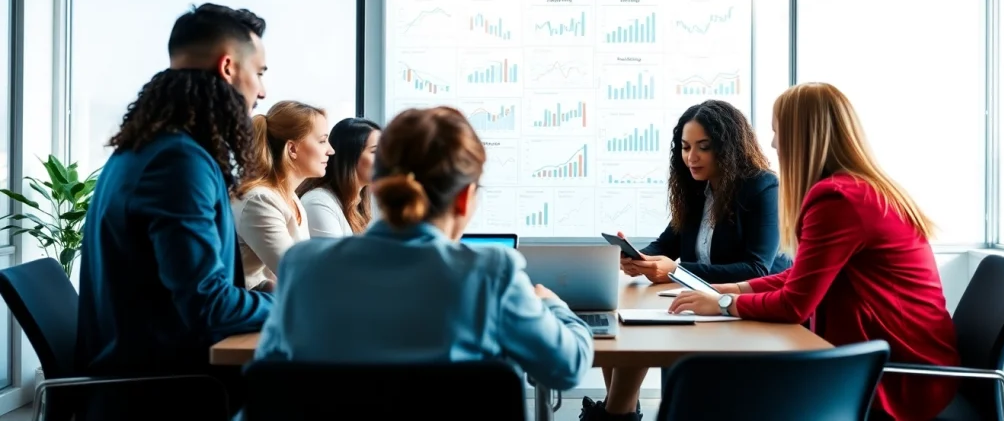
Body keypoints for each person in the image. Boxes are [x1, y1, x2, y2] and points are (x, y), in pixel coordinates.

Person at [669, 83, 960, 421]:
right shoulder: (859, 189)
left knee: (718, 395)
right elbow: (802, 276)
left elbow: (795, 304)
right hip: (895, 361)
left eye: (779, 132)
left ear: (803, 136)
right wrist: (733, 289)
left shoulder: (839, 200)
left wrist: (722, 304)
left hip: (901, 380)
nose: (775, 144)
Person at [253, 106, 594, 391]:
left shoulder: (303, 266)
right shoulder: (492, 271)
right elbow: (568, 368)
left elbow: (269, 384)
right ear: (464, 198)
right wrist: (554, 306)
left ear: (382, 186)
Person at [76, 3, 274, 420]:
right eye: (259, 73)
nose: (262, 92)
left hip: (150, 383)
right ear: (227, 67)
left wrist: (256, 299)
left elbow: (178, 291)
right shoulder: (179, 163)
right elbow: (209, 308)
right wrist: (294, 303)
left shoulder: (145, 149)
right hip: (168, 397)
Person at [583, 99, 787, 421]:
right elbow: (666, 243)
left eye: (703, 147)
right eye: (685, 147)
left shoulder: (762, 187)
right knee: (622, 326)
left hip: (743, 311)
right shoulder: (698, 191)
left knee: (637, 332)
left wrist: (676, 270)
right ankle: (619, 411)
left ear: (728, 147)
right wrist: (635, 256)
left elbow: (757, 268)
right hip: (699, 307)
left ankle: (615, 414)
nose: (691, 157)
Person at [233, 100, 334, 290]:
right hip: (254, 313)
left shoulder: (289, 198)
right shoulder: (260, 200)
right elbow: (299, 274)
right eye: (322, 141)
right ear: (292, 149)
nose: (331, 150)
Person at [297, 117, 381, 237]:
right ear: (350, 157)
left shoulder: (363, 201)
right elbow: (338, 256)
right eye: (375, 152)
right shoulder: (318, 202)